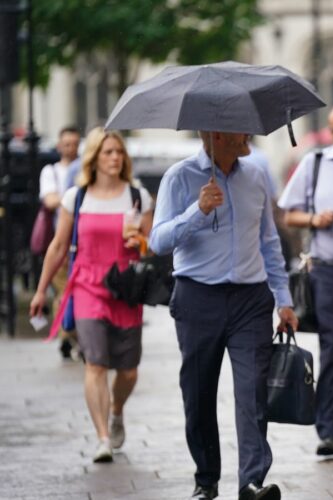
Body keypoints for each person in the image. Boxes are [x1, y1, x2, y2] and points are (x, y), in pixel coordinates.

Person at [150, 131, 297, 500]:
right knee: (198, 393)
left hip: (251, 298)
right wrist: (196, 211)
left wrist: (284, 298)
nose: (248, 134)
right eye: (239, 128)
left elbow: (268, 241)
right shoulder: (179, 177)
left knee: (252, 392)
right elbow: (158, 241)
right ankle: (206, 479)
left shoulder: (256, 175)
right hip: (197, 296)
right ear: (214, 134)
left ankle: (252, 481)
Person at [29, 127, 153, 463]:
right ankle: (102, 437)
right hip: (86, 285)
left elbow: (153, 245)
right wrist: (41, 290)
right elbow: (57, 246)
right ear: (94, 157)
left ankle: (116, 410)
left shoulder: (138, 197)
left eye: (119, 152)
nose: (115, 158)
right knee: (95, 363)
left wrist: (139, 243)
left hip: (126, 288)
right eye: (108, 152)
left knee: (128, 370)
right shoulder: (76, 197)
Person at [278, 102, 333, 457]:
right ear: (331, 133)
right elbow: (289, 215)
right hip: (330, 270)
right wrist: (315, 220)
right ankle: (328, 430)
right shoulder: (315, 163)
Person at [37, 126, 82, 359]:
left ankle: (69, 334)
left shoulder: (85, 169)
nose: (71, 148)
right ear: (59, 146)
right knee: (65, 291)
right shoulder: (51, 172)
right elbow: (51, 200)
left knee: (74, 292)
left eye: (75, 143)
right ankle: (69, 335)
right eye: (67, 144)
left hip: (83, 242)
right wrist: (74, 194)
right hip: (60, 240)